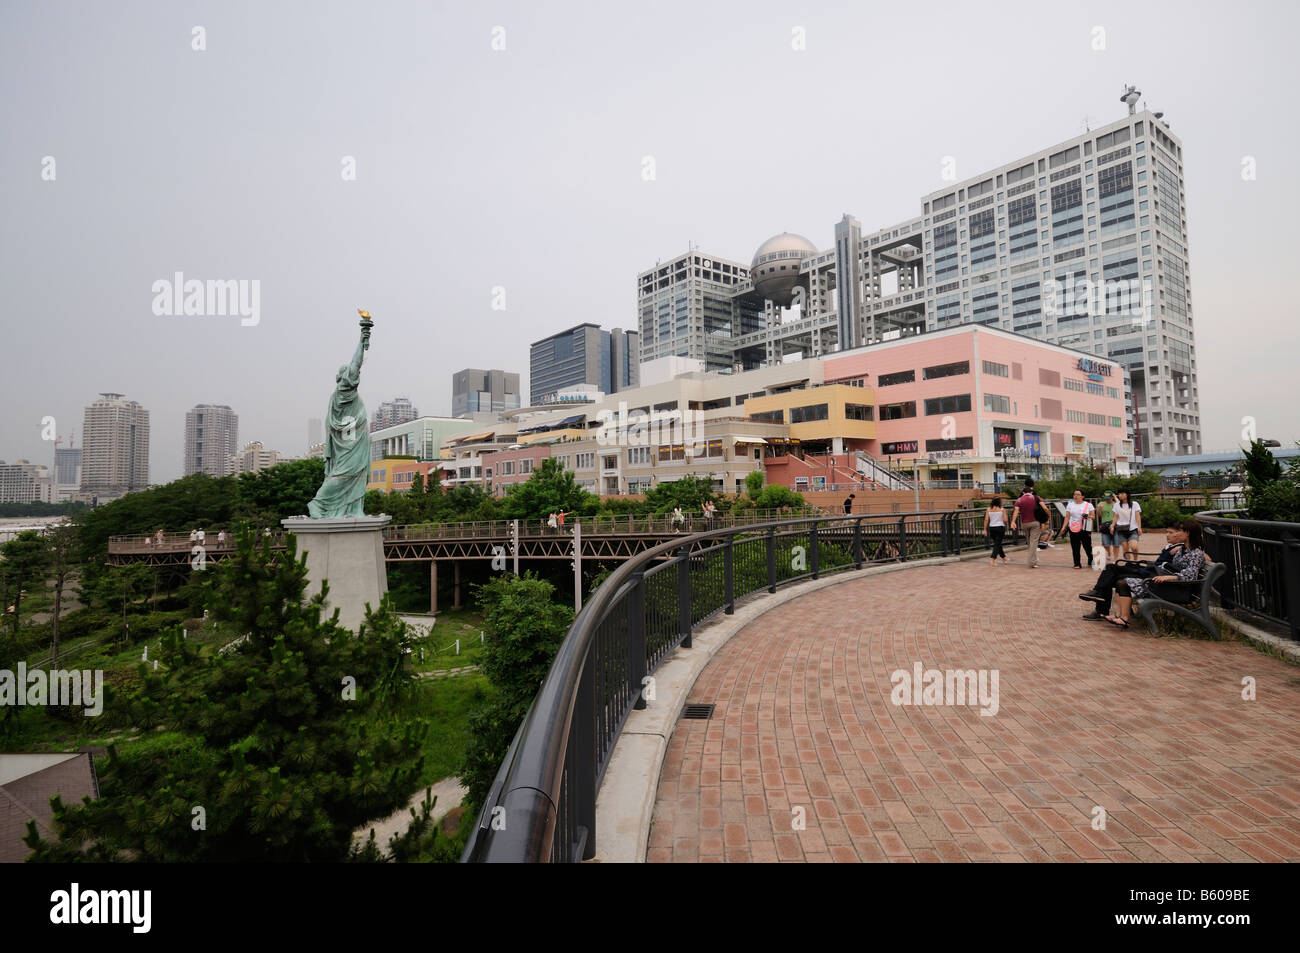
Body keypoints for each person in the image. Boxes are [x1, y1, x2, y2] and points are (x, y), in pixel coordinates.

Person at [1079, 523, 1198, 620]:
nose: (1168, 535)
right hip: (1149, 571)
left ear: (1185, 534)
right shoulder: (1177, 548)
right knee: (1111, 572)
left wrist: (1181, 546)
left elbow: (1202, 555)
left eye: (1172, 532)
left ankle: (1100, 602)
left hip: (1152, 575)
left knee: (1113, 573)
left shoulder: (1186, 549)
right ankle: (1100, 600)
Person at [1105, 521, 1208, 629]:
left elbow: (1190, 576)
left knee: (1123, 583)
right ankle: (1122, 617)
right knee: (1121, 582)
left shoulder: (1196, 553)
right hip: (1170, 585)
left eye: (1180, 531)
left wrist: (1168, 577)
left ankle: (1124, 618)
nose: (1176, 534)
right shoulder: (1183, 550)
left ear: (1189, 533)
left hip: (1179, 590)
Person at [1009, 481, 1048, 568]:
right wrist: (1046, 519)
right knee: (1034, 542)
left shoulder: (1019, 500)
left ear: (1023, 492)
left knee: (1030, 543)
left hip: (1024, 523)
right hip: (1035, 522)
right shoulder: (1036, 498)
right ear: (1031, 492)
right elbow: (1045, 508)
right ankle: (1031, 561)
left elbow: (1016, 512)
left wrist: (1013, 522)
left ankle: (1034, 560)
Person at [1065, 489, 1095, 570]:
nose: (1076, 496)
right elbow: (1067, 516)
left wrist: (1087, 516)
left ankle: (1091, 559)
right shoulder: (1070, 505)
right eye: (1074, 494)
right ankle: (1077, 563)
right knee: (1075, 547)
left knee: (1087, 546)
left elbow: (1093, 516)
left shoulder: (1088, 505)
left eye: (1078, 494)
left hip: (1085, 528)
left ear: (1082, 496)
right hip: (1073, 528)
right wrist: (1064, 527)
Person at [1113, 489, 1142, 559]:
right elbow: (1116, 516)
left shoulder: (1135, 504)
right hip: (1121, 529)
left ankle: (1135, 560)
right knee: (1125, 549)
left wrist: (1139, 527)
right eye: (1119, 494)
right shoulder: (1117, 505)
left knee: (1134, 547)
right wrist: (1112, 525)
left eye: (1122, 493)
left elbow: (1137, 516)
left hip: (1133, 529)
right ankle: (1128, 563)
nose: (1120, 495)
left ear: (1127, 495)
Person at [983, 497, 1008, 565]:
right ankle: (992, 559)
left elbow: (986, 520)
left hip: (992, 528)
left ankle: (1004, 558)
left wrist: (985, 529)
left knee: (998, 544)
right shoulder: (1002, 509)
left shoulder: (988, 509)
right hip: (1000, 528)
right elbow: (1005, 520)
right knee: (997, 544)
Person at [1097, 490, 1119, 564]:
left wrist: (1115, 497)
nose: (1107, 499)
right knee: (1105, 544)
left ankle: (1115, 559)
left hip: (1115, 525)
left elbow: (1120, 506)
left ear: (1112, 497)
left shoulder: (1116, 504)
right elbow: (1099, 515)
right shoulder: (1101, 503)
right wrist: (1100, 509)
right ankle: (1109, 553)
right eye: (1106, 498)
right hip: (1105, 526)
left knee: (1116, 543)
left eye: (1109, 498)